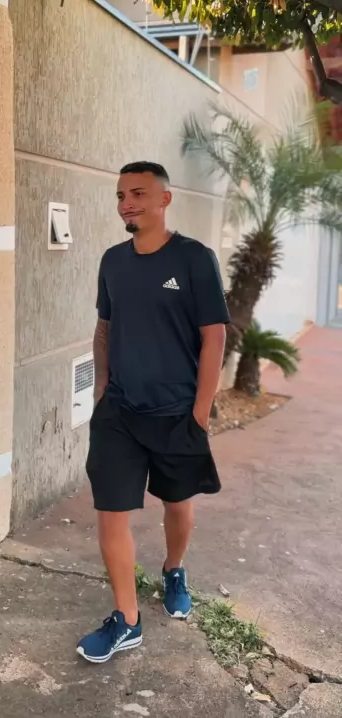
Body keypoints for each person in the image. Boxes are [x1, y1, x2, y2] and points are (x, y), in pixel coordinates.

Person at [76, 161, 230, 664]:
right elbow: (104, 328)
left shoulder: (194, 259)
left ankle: (173, 569)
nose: (127, 204)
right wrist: (102, 388)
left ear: (164, 199)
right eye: (121, 195)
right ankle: (127, 619)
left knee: (177, 506)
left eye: (138, 193)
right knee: (110, 512)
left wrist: (200, 412)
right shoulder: (113, 261)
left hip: (176, 413)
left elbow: (214, 337)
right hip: (119, 411)